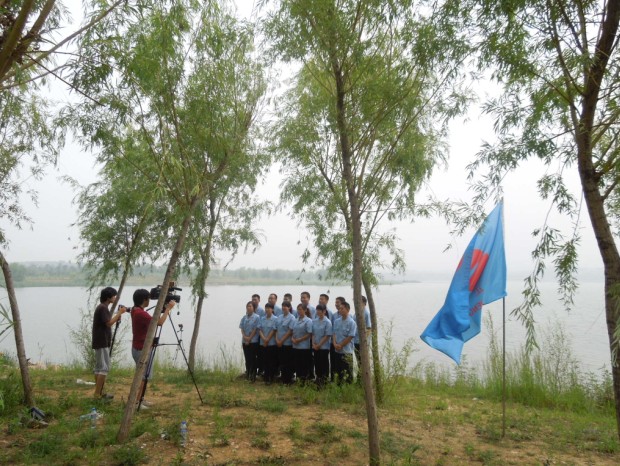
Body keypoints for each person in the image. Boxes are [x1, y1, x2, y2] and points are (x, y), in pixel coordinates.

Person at [131, 288, 175, 408]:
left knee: (142, 375)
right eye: (148, 299)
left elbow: (151, 320)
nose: (149, 301)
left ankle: (140, 399)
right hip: (142, 349)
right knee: (143, 377)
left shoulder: (135, 310)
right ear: (144, 300)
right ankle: (137, 402)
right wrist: (168, 309)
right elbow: (159, 322)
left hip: (137, 347)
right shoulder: (141, 314)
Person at [91, 287, 127, 400]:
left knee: (99, 368)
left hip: (99, 340)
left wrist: (117, 314)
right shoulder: (103, 308)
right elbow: (109, 323)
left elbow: (107, 322)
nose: (115, 298)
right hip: (102, 341)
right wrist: (120, 313)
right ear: (108, 297)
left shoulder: (102, 307)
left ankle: (99, 392)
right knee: (104, 368)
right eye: (114, 296)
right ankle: (97, 394)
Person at [332, 301, 356, 384]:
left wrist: (341, 345)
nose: (340, 310)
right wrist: (334, 344)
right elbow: (334, 333)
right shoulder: (336, 321)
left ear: (348, 310)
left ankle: (348, 388)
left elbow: (350, 336)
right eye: (339, 309)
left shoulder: (352, 322)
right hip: (337, 350)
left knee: (348, 372)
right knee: (338, 372)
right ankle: (339, 387)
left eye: (342, 309)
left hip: (346, 351)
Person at [291, 303, 313, 383]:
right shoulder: (295, 320)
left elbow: (309, 334)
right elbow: (292, 331)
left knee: (304, 365)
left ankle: (303, 381)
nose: (299, 311)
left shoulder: (308, 321)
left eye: (300, 309)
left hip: (304, 347)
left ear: (305, 310)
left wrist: (299, 340)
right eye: (298, 309)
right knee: (297, 364)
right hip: (295, 346)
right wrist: (293, 339)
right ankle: (298, 379)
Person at [312, 304, 332, 388]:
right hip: (315, 346)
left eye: (319, 310)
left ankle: (324, 382)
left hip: (324, 347)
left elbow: (327, 335)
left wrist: (319, 345)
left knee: (324, 364)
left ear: (324, 311)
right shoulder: (314, 321)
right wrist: (313, 344)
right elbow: (313, 333)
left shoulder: (327, 322)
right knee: (317, 364)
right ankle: (318, 380)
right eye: (317, 310)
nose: (318, 312)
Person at [275, 300, 295, 384]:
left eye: (285, 306)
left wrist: (282, 341)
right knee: (281, 361)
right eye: (282, 306)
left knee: (288, 362)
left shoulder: (292, 318)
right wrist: (277, 340)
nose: (283, 308)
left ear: (289, 307)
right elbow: (276, 329)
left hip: (287, 343)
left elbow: (290, 331)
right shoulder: (279, 317)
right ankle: (283, 378)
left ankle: (288, 380)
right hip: (279, 343)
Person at [240, 301, 260, 382]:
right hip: (244, 341)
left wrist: (249, 338)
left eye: (250, 306)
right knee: (247, 358)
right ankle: (248, 374)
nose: (249, 308)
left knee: (253, 359)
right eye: (247, 306)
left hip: (253, 341)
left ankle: (253, 375)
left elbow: (255, 329)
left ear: (254, 308)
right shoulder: (244, 317)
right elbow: (241, 328)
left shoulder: (257, 317)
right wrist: (245, 337)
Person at [259, 303, 279, 384]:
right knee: (264, 361)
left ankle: (271, 378)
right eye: (266, 308)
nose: (267, 310)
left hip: (271, 344)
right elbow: (259, 329)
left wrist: (267, 339)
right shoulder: (262, 318)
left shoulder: (275, 319)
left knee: (271, 361)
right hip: (263, 343)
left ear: (272, 309)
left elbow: (274, 330)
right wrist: (264, 339)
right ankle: (266, 377)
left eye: (269, 308)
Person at [353, 296, 372, 379]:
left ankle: (363, 379)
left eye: (359, 301)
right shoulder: (357, 312)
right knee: (358, 361)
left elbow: (369, 328)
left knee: (362, 361)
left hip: (362, 342)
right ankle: (359, 378)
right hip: (355, 340)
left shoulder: (366, 313)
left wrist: (364, 341)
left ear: (364, 303)